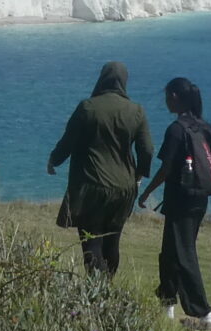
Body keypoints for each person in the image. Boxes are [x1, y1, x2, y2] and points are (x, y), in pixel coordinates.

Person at [135, 76, 211, 330]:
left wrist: (146, 192)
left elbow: (166, 168)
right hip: (199, 199)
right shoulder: (204, 126)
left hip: (180, 200)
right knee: (170, 252)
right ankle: (166, 304)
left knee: (183, 254)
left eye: (166, 96)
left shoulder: (176, 130)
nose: (165, 101)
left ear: (174, 97)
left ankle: (204, 313)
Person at [47, 60, 152, 278]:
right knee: (112, 242)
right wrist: (139, 175)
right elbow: (147, 150)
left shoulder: (87, 107)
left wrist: (54, 160)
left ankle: (97, 290)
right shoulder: (136, 111)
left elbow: (68, 142)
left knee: (92, 240)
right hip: (123, 189)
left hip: (91, 185)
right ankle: (107, 288)